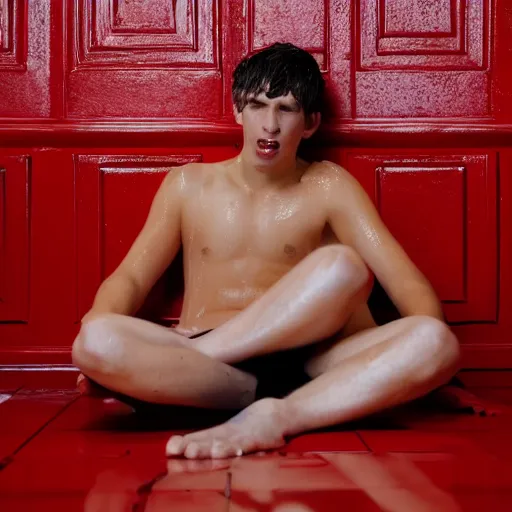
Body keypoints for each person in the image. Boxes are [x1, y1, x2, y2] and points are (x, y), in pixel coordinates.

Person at [72, 43, 461, 460]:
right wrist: (96, 357)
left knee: (429, 335)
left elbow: (405, 282)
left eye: (287, 109)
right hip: (208, 367)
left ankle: (279, 415)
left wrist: (431, 375)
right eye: (258, 105)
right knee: (95, 338)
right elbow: (131, 278)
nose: (270, 124)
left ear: (310, 123)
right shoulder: (187, 185)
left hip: (311, 362)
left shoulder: (329, 185)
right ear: (238, 111)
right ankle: (239, 379)